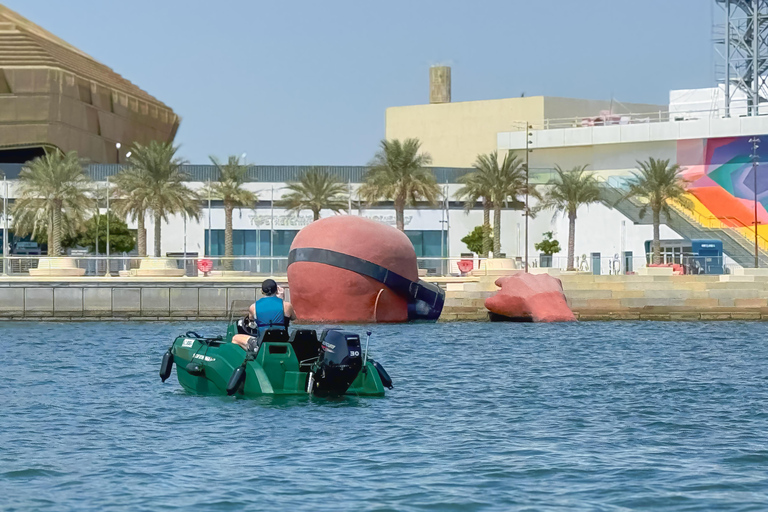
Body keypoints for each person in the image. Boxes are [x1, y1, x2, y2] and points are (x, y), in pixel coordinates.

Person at [232, 279, 296, 351]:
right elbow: (293, 317)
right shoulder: (287, 305)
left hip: (262, 343)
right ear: (277, 290)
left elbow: (251, 320)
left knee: (235, 338)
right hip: (283, 341)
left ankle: (254, 354)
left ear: (262, 291)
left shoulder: (253, 307)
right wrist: (281, 299)